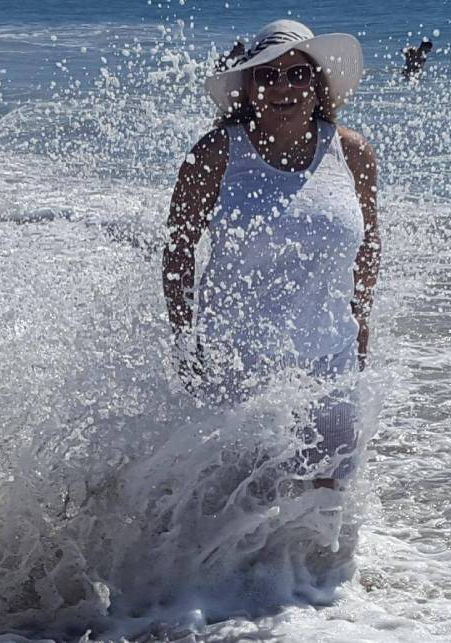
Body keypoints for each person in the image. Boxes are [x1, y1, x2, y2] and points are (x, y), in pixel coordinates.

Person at [162, 19, 380, 490]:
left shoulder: (353, 153)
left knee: (329, 497)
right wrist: (183, 338)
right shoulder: (216, 154)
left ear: (317, 83)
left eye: (297, 74)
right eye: (267, 75)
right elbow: (179, 249)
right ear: (248, 86)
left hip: (330, 356)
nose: (283, 87)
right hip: (237, 362)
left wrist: (362, 315)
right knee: (238, 502)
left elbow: (369, 242)